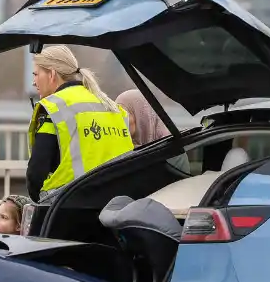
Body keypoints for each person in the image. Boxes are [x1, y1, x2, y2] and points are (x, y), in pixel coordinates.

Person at [26, 45, 133, 202]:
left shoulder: (55, 108)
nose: (34, 82)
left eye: (36, 74)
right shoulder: (111, 105)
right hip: (116, 206)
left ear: (52, 74)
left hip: (69, 206)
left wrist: (39, 199)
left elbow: (36, 173)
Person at [117, 89, 192, 173]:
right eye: (117, 114)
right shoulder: (121, 151)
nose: (119, 120)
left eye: (124, 114)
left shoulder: (173, 152)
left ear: (142, 116)